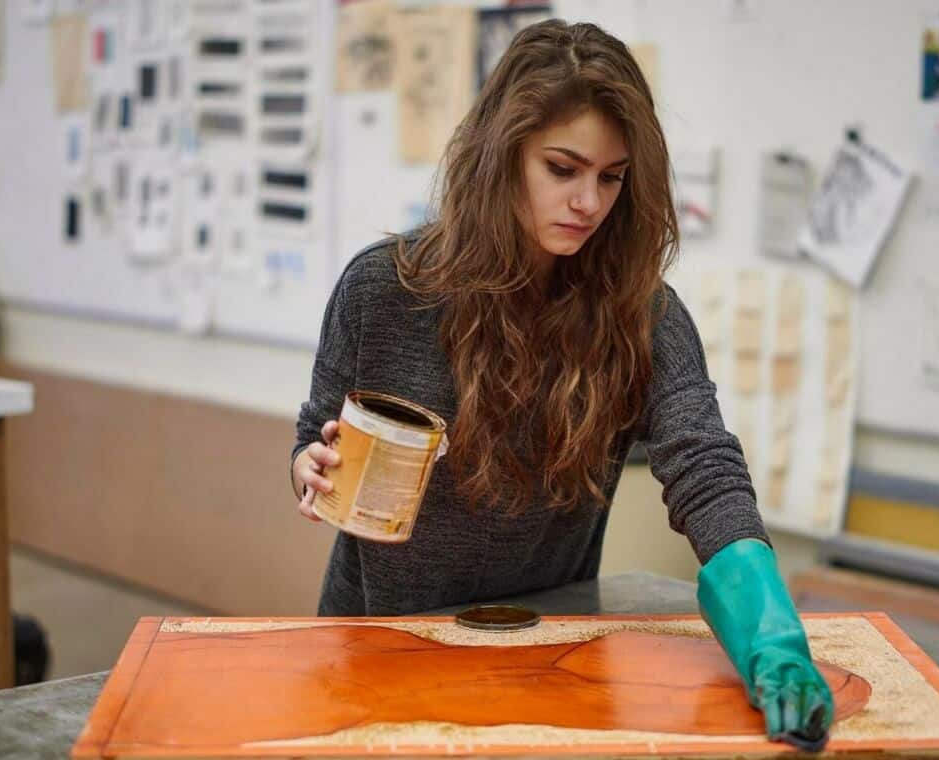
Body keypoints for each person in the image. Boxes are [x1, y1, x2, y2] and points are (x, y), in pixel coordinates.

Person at [292, 19, 832, 751]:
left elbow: (703, 463)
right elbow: (314, 433)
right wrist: (310, 465)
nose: (589, 202)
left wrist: (774, 638)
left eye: (611, 177)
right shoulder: (384, 290)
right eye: (563, 168)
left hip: (541, 654)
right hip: (376, 646)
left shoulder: (639, 314)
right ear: (500, 155)